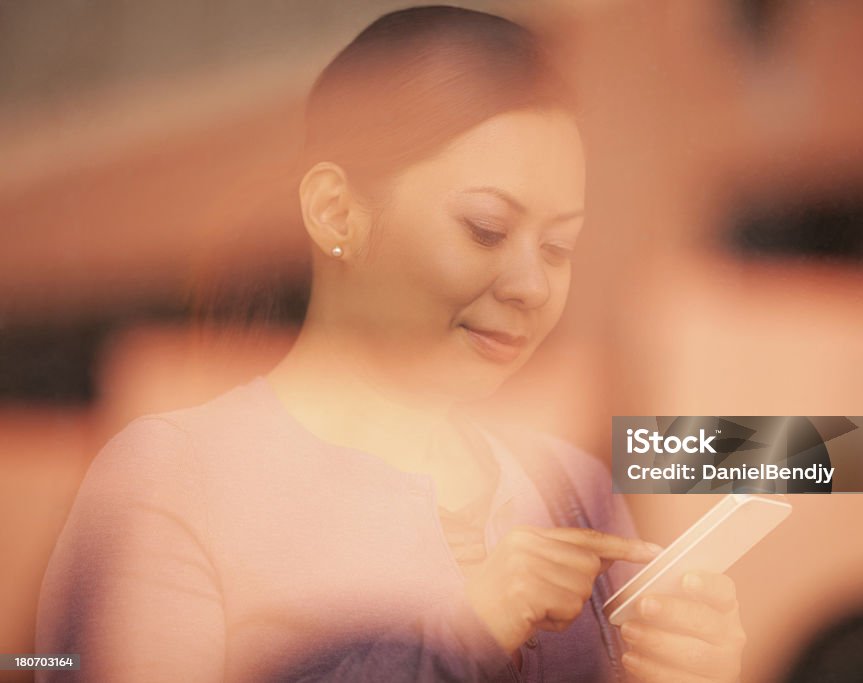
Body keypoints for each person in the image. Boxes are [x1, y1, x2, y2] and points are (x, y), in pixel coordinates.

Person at [36, 6, 746, 682]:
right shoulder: (172, 481)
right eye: (486, 228)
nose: (533, 286)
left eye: (560, 246)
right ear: (335, 211)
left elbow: (829, 447)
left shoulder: (572, 487)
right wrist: (454, 642)